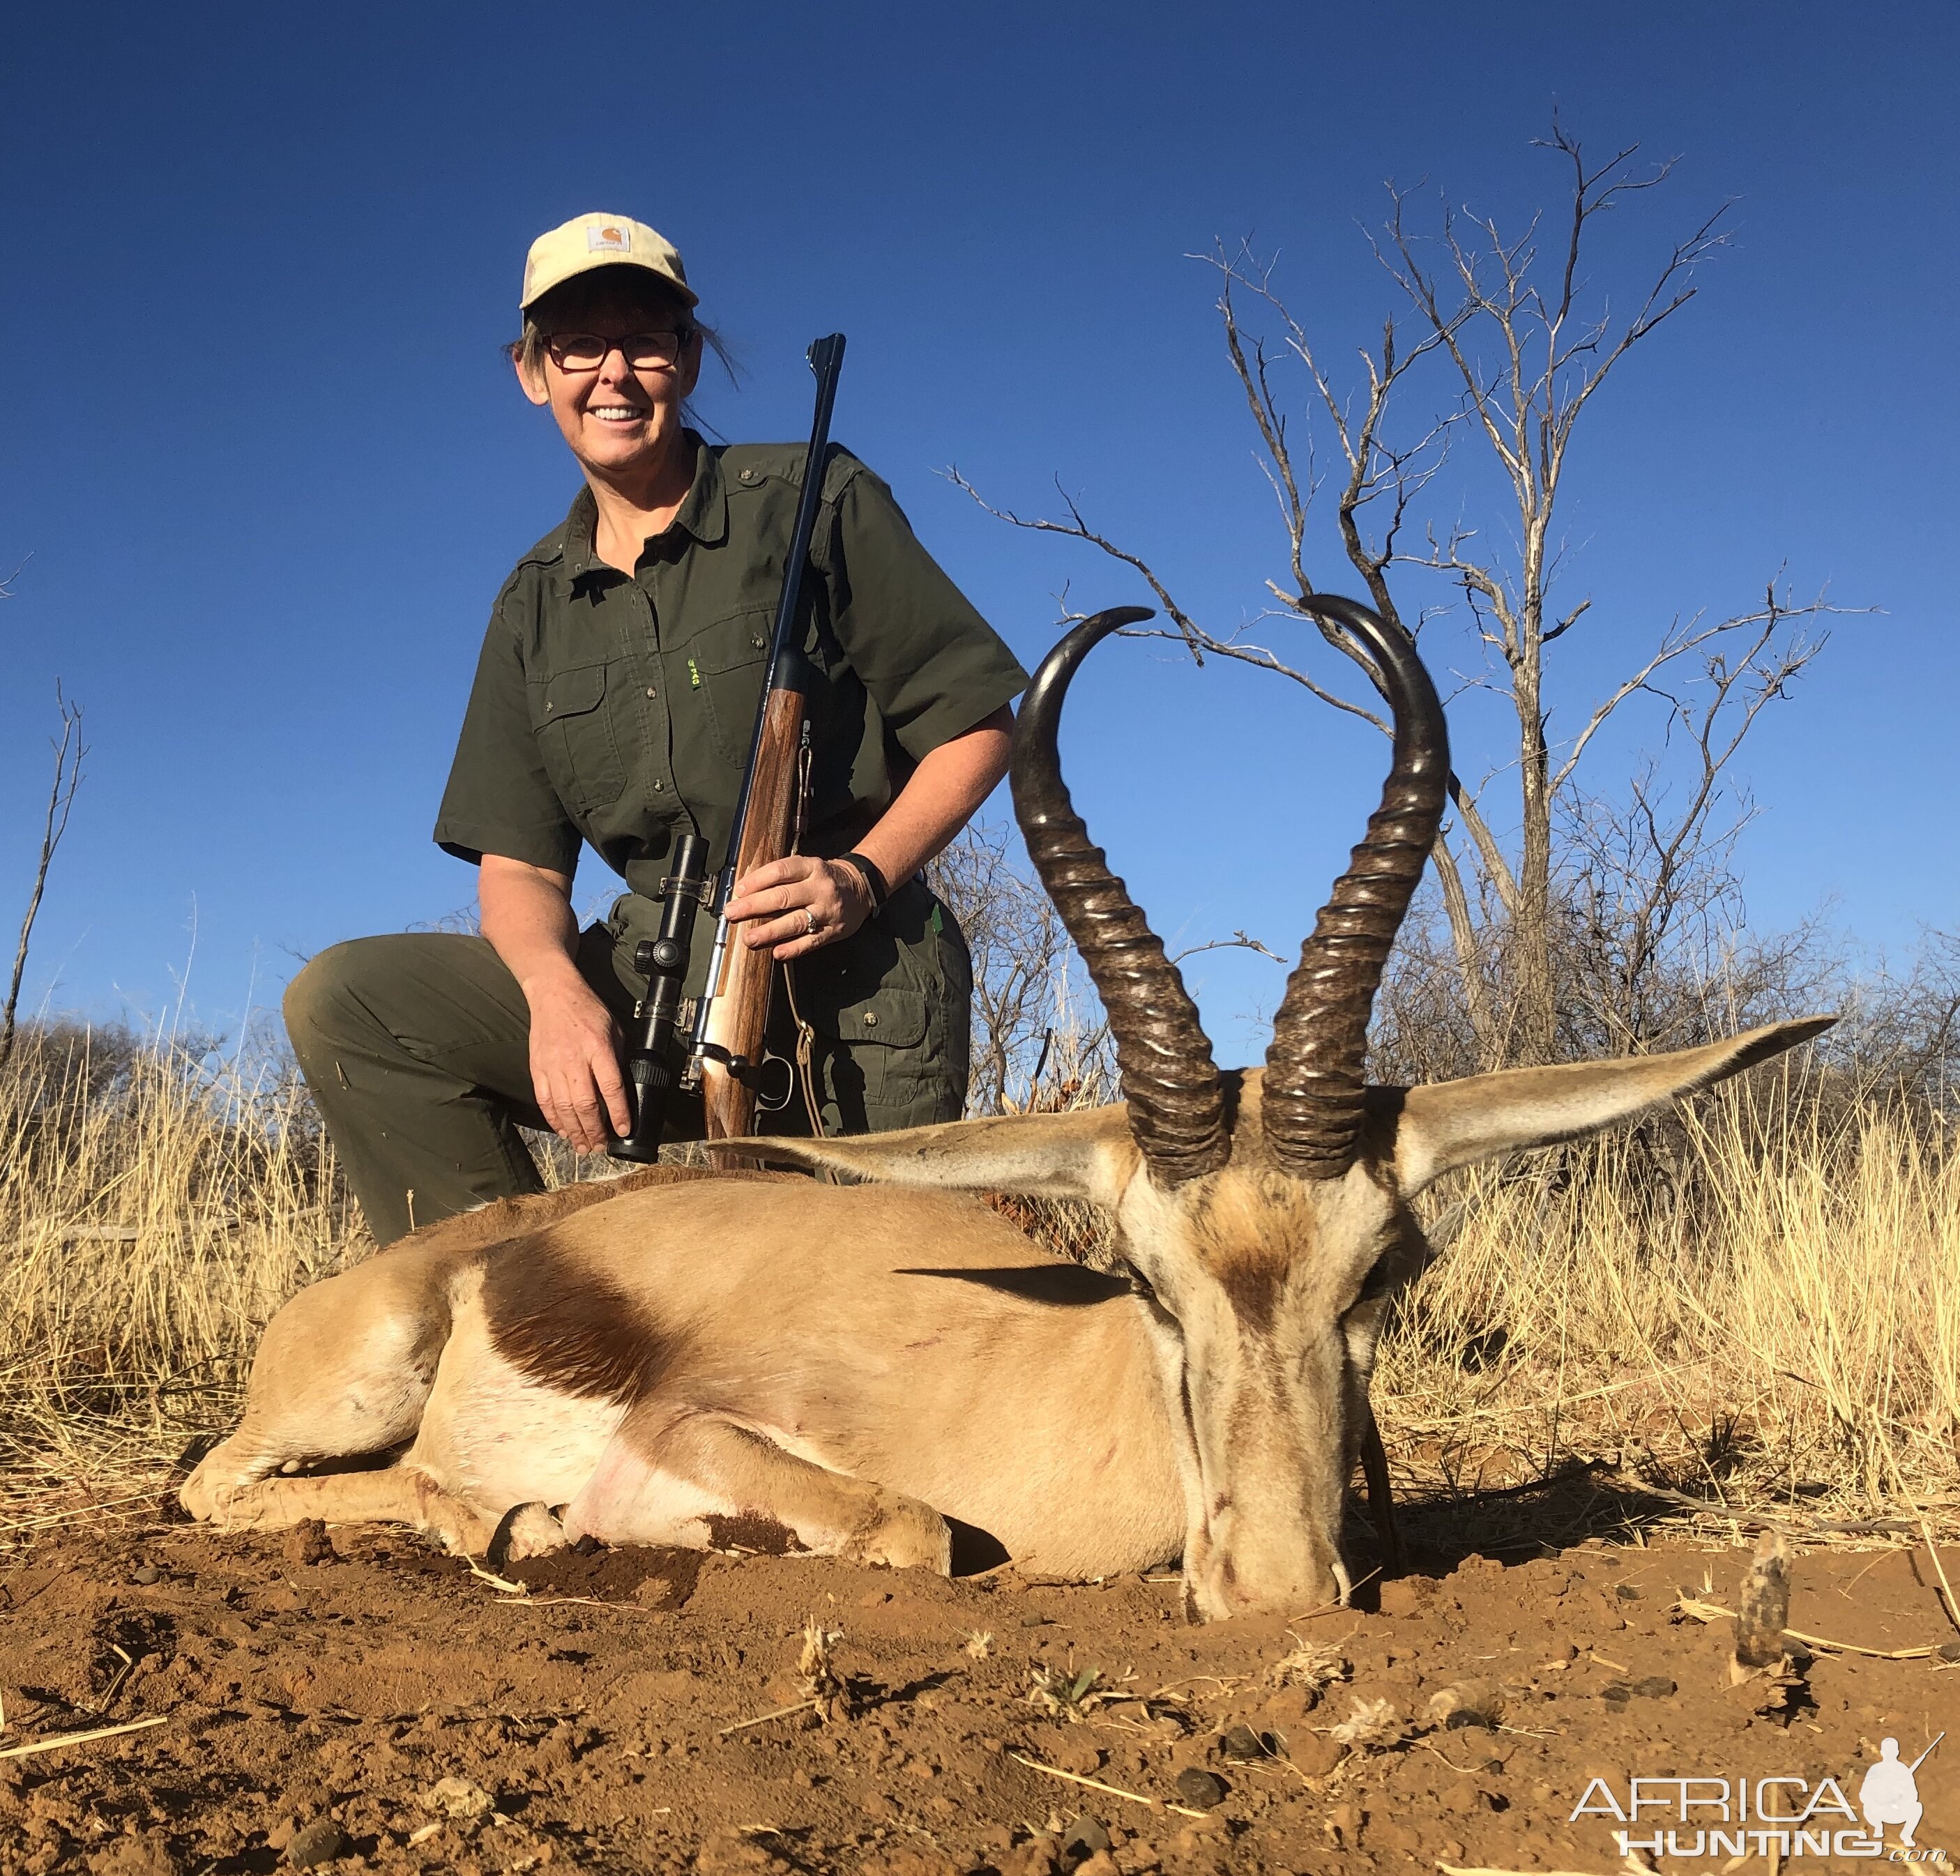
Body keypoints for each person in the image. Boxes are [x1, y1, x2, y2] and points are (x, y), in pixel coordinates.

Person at [284, 213, 1027, 1246]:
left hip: (857, 981)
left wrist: (859, 877)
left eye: (646, 340)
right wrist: (554, 995)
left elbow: (978, 721)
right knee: (348, 1000)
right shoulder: (531, 601)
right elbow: (520, 868)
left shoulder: (813, 500)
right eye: (577, 346)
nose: (614, 375)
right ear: (532, 373)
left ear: (686, 357)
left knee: (857, 1326)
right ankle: (505, 1330)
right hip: (654, 977)